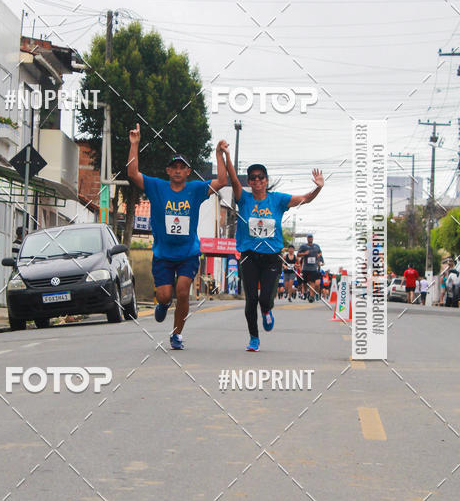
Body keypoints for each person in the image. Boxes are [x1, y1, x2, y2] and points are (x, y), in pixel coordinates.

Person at [127, 123, 228, 350]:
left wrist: (218, 154)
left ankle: (177, 334)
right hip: (163, 254)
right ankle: (162, 305)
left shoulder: (195, 189)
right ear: (168, 171)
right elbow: (132, 173)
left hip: (188, 253)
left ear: (188, 172)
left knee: (182, 291)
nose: (178, 170)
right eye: (174, 167)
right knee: (165, 295)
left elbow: (222, 181)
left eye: (182, 167)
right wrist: (134, 144)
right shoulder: (157, 187)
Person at [224, 154, 324, 351]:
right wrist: (226, 154)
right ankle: (254, 338)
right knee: (251, 299)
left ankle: (267, 310)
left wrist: (318, 187)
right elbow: (233, 178)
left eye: (261, 177)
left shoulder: (277, 200)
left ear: (266, 180)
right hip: (249, 256)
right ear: (249, 182)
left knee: (264, 299)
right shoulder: (243, 199)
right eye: (252, 178)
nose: (257, 180)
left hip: (271, 258)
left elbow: (304, 199)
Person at [297, 233, 324, 302]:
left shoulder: (316, 246)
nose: (310, 239)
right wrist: (304, 253)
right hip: (305, 268)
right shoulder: (303, 246)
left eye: (311, 237)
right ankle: (305, 292)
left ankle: (311, 296)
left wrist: (318, 255)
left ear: (312, 238)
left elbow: (320, 252)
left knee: (312, 282)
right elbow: (298, 254)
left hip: (314, 268)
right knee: (305, 283)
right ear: (307, 239)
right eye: (309, 238)